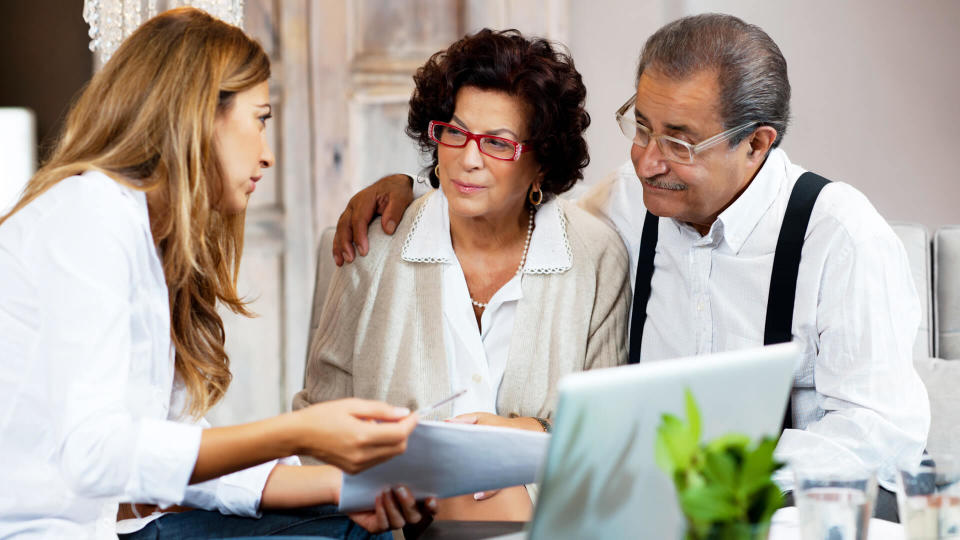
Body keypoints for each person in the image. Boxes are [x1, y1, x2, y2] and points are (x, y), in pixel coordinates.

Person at [329, 13, 929, 522]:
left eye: (680, 141)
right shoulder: (626, 205)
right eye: (640, 126)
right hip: (639, 514)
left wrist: (700, 468)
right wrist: (415, 186)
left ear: (757, 143)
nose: (646, 160)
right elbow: (519, 197)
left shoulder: (840, 237)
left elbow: (880, 436)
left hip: (785, 515)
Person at [0, 8, 435, 539]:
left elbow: (178, 458)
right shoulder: (89, 214)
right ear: (200, 114)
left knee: (356, 525)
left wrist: (344, 488)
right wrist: (296, 432)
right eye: (260, 119)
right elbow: (97, 456)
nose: (267, 154)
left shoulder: (145, 237)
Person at [294, 29, 630, 522]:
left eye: (497, 142)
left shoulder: (595, 257)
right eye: (455, 131)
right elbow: (317, 420)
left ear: (540, 162)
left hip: (547, 520)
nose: (467, 159)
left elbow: (607, 432)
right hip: (392, 522)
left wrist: (523, 434)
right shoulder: (374, 246)